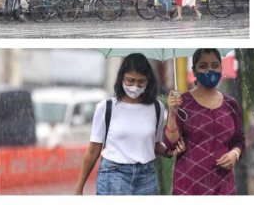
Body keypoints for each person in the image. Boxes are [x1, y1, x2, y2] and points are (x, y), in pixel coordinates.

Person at [75, 53, 183, 195]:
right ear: (121, 78)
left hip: (147, 176)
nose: (135, 86)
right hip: (114, 174)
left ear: (148, 81)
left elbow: (155, 144)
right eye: (130, 80)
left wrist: (169, 152)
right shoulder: (106, 107)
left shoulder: (156, 107)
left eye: (141, 82)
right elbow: (93, 150)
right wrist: (79, 187)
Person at [165, 49, 245, 195]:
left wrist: (235, 154)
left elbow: (239, 140)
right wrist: (172, 113)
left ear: (221, 68)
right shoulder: (181, 102)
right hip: (188, 186)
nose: (210, 70)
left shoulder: (231, 104)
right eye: (203, 66)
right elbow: (171, 144)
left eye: (215, 65)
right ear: (194, 71)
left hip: (224, 187)